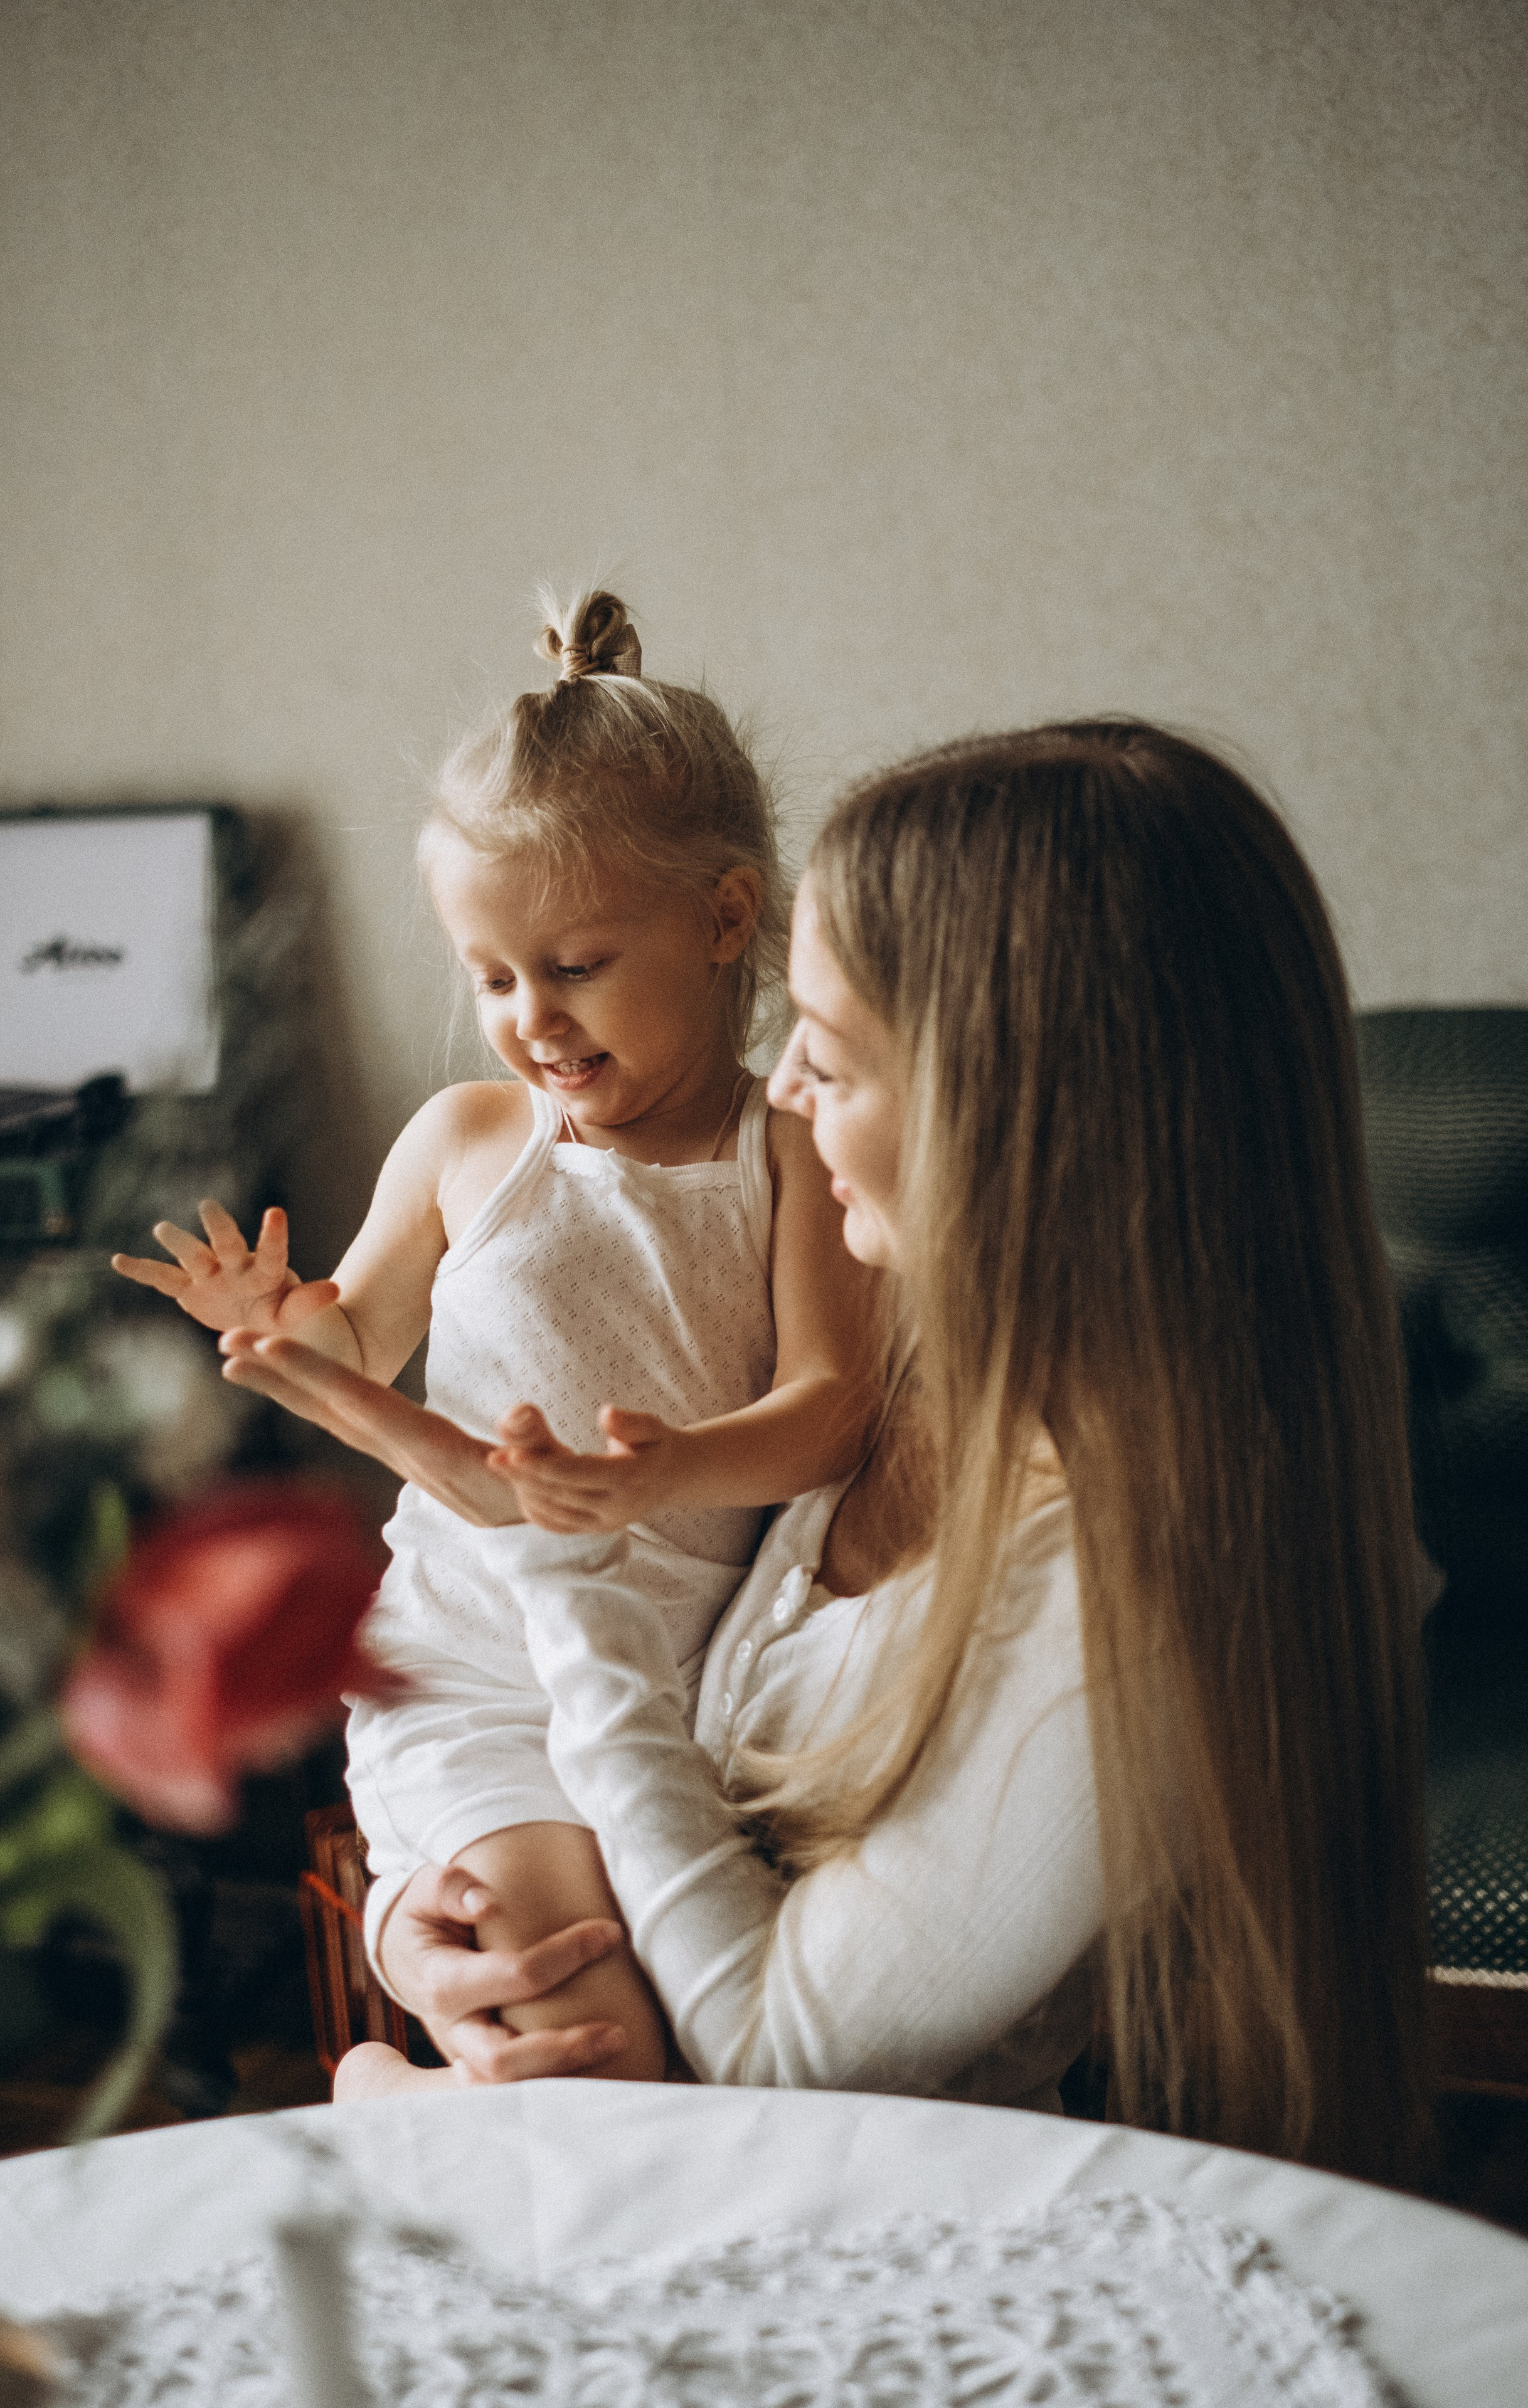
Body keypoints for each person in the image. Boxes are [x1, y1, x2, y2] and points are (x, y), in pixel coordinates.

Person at [224, 719, 1433, 2186]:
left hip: (862, 2227)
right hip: (661, 2162)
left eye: (833, 1056)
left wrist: (566, 1575)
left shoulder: (1140, 1589)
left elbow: (775, 2054)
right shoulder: (938, 1366)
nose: (780, 1091)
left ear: (1010, 1115)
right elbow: (673, 1811)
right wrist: (432, 1928)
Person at [114, 590, 881, 2083]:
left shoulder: (784, 1148)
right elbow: (364, 1356)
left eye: (576, 963)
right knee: (586, 2041)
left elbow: (832, 1407)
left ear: (725, 920)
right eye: (490, 978)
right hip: (476, 1680)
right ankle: (387, 2097)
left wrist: (669, 1473)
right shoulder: (470, 1139)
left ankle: (395, 2106)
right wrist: (285, 1329)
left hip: (688, 1695)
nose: (529, 1017)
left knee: (712, 2067)